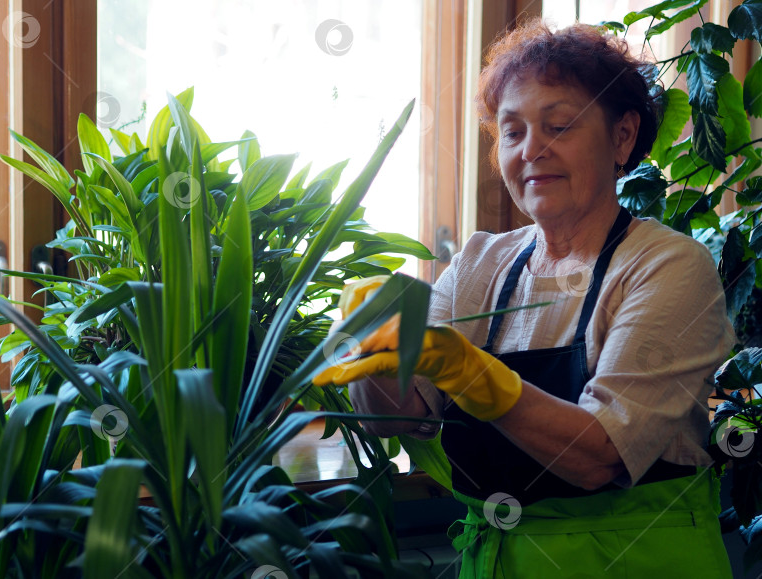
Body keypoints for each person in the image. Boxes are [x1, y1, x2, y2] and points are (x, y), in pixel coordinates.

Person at [314, 18, 735, 578]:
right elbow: (396, 420)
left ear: (622, 137)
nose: (532, 149)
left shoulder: (668, 267)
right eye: (512, 133)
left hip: (631, 559)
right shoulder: (478, 265)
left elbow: (599, 457)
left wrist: (471, 372)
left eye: (559, 125)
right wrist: (370, 344)